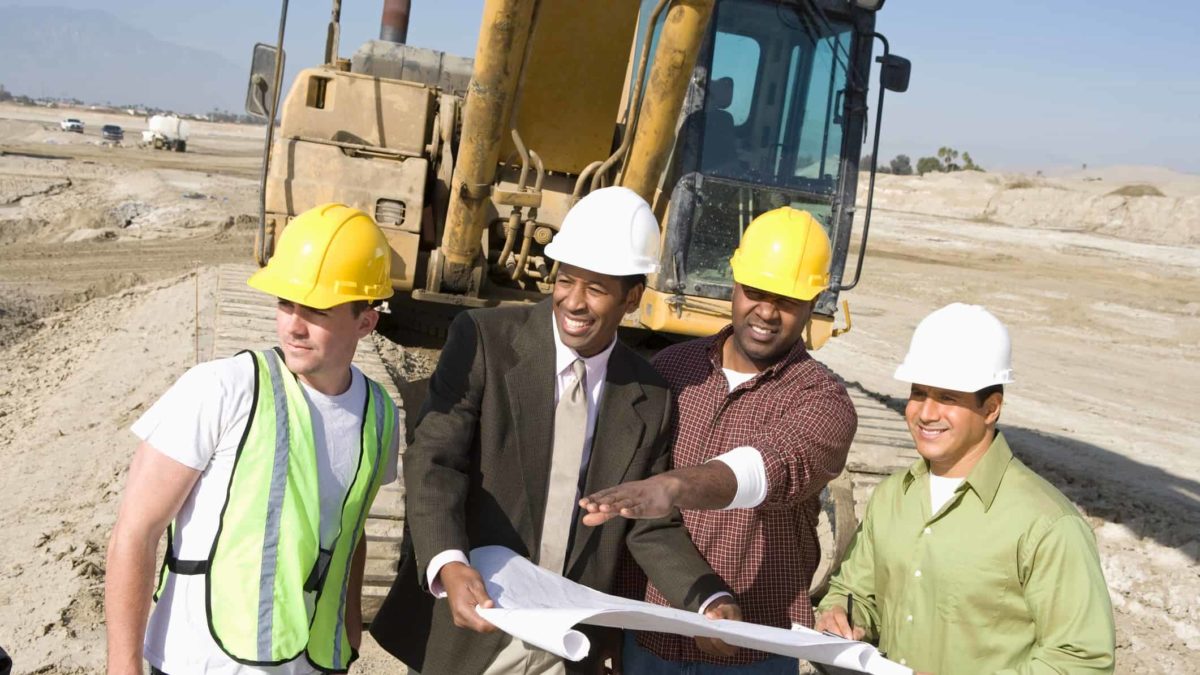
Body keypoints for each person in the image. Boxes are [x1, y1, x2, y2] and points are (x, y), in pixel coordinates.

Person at [369, 187, 741, 675]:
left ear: (632, 298)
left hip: (569, 645)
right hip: (479, 627)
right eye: (566, 280)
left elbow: (646, 524)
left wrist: (706, 597)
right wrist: (449, 562)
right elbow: (434, 459)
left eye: (597, 288)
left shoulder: (649, 393)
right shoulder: (484, 340)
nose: (575, 301)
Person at [104, 204, 402, 675]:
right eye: (286, 303)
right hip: (198, 662)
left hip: (310, 664)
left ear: (366, 322)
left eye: (317, 310)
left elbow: (351, 528)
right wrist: (123, 668)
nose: (293, 325)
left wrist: (347, 627)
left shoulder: (380, 415)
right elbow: (135, 532)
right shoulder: (222, 388)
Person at [580, 207, 858, 673]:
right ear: (734, 283)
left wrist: (671, 488)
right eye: (754, 292)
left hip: (751, 651)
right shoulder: (670, 371)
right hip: (649, 640)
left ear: (814, 301)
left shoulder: (824, 402)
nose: (766, 312)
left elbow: (770, 467)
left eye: (786, 300)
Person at [814, 303, 1116, 674]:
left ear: (991, 408)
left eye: (948, 398)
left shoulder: (1048, 525)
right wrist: (841, 615)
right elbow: (856, 592)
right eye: (919, 393)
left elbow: (1079, 660)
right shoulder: (892, 496)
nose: (926, 413)